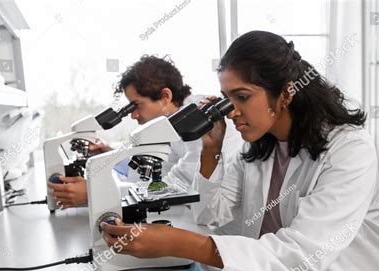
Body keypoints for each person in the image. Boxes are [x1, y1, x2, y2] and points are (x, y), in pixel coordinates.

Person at [100, 31, 379, 271]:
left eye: (242, 97)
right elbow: (214, 215)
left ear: (285, 94)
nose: (233, 111)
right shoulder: (258, 146)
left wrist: (179, 244)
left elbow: (302, 254)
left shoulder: (349, 149)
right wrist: (210, 152)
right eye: (227, 99)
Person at [49, 55, 241, 209]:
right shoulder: (170, 123)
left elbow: (181, 185)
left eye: (137, 105)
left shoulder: (200, 119)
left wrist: (97, 194)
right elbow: (158, 173)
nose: (132, 115)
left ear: (165, 96)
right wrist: (109, 154)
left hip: (223, 231)